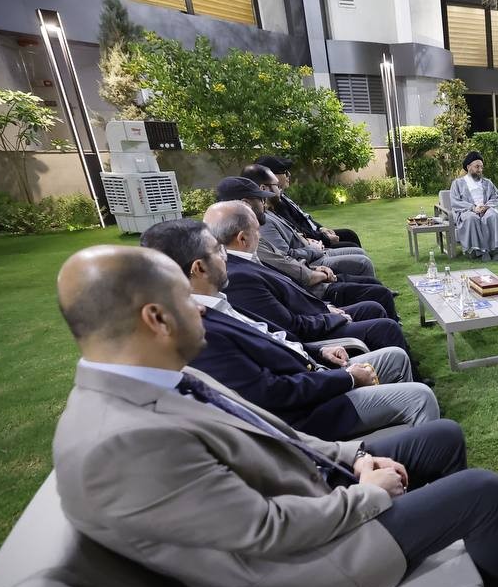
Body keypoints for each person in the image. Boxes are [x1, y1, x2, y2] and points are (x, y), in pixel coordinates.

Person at [52, 245, 498, 587]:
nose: (202, 311)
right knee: (483, 491)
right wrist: (369, 494)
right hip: (299, 576)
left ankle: (469, 548)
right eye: (187, 301)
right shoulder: (122, 441)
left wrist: (353, 457)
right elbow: (267, 533)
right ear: (156, 319)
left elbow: (278, 434)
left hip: (314, 496)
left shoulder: (163, 376)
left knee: (443, 436)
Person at [141, 218, 437, 441]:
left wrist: (318, 352)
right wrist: (347, 378)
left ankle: (407, 435)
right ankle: (418, 464)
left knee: (395, 357)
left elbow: (274, 339)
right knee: (420, 397)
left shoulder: (218, 301)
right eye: (218, 250)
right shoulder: (199, 329)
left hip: (316, 368)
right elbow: (269, 393)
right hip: (315, 410)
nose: (227, 255)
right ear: (199, 268)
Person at [203, 201, 422, 374]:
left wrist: (326, 308)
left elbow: (287, 287)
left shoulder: (245, 261)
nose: (260, 234)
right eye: (256, 230)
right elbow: (289, 327)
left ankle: (405, 367)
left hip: (316, 311)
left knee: (373, 307)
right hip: (316, 334)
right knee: (385, 327)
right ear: (242, 238)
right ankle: (406, 379)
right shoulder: (239, 275)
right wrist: (331, 317)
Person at [213, 178, 400, 321]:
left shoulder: (248, 245)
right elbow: (289, 272)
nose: (264, 203)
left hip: (312, 289)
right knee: (377, 298)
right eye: (260, 199)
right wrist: (323, 303)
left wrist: (314, 266)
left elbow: (286, 260)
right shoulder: (246, 252)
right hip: (314, 298)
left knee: (372, 287)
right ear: (245, 204)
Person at [240, 164, 374, 277]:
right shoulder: (264, 221)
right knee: (363, 262)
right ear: (263, 188)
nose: (280, 190)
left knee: (359, 252)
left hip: (313, 252)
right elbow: (286, 257)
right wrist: (313, 248)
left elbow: (295, 231)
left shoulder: (271, 211)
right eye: (277, 186)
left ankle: (368, 287)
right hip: (309, 262)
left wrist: (309, 239)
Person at [254, 154, 362, 247]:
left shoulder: (283, 196)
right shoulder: (275, 203)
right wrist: (325, 238)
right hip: (310, 243)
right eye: (284, 172)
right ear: (271, 175)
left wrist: (322, 228)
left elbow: (304, 218)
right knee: (351, 247)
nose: (289, 175)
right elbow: (297, 230)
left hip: (314, 235)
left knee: (349, 235)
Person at [448, 151, 498, 260]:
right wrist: (473, 208)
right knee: (471, 219)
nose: (480, 170)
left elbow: (495, 197)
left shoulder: (487, 183)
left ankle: (497, 250)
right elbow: (455, 201)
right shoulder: (457, 183)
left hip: (486, 208)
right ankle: (477, 251)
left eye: (481, 167)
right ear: (468, 167)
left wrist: (486, 206)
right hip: (467, 210)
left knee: (494, 216)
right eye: (477, 167)